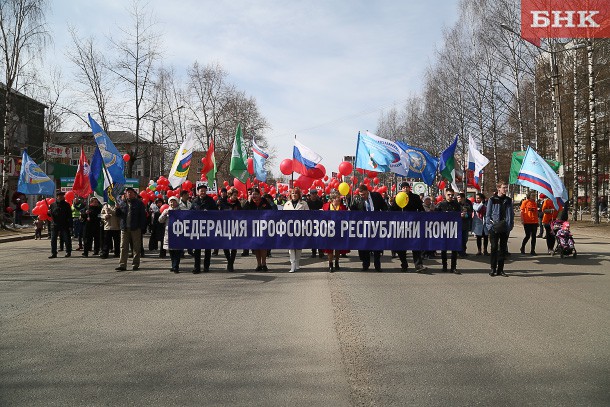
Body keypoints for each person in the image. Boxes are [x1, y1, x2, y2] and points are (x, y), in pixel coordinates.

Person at [350, 184, 388, 271]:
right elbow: (353, 210)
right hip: (363, 227)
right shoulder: (357, 199)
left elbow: (384, 206)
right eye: (361, 195)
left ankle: (377, 265)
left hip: (376, 225)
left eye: (364, 194)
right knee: (364, 246)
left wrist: (386, 214)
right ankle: (365, 264)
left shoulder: (376, 196)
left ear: (367, 191)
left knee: (377, 246)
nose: (362, 196)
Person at [391, 182, 426, 272]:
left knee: (416, 246)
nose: (405, 189)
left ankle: (418, 265)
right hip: (401, 226)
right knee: (401, 247)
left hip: (413, 225)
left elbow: (421, 209)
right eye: (404, 187)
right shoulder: (398, 197)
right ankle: (404, 263)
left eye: (407, 187)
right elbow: (392, 210)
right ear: (401, 189)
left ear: (409, 188)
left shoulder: (415, 197)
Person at [485, 181, 514, 277]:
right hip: (494, 227)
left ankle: (500, 270)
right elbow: (488, 215)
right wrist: (490, 226)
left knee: (502, 249)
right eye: (504, 187)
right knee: (494, 248)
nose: (505, 189)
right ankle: (493, 268)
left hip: (505, 227)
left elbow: (511, 214)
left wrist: (510, 226)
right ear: (498, 188)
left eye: (506, 187)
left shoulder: (508, 200)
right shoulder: (492, 200)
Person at [115, 187, 147, 271]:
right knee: (123, 247)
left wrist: (142, 227)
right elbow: (118, 215)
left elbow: (142, 216)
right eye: (127, 192)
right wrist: (117, 208)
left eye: (131, 192)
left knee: (136, 247)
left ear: (134, 194)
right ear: (125, 194)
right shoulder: (122, 203)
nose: (129, 194)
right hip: (124, 228)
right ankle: (122, 265)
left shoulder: (139, 203)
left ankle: (135, 264)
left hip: (135, 228)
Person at [243, 187, 273, 271]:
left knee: (263, 246)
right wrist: (248, 202)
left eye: (256, 194)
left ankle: (264, 264)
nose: (254, 196)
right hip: (253, 228)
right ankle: (258, 264)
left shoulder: (264, 202)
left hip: (263, 227)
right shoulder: (249, 203)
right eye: (253, 194)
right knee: (256, 247)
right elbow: (244, 212)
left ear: (259, 195)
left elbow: (270, 211)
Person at [191, 183, 218, 273]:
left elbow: (216, 213)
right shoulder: (194, 201)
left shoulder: (210, 201)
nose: (202, 192)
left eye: (204, 190)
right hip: (197, 228)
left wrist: (209, 213)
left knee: (207, 249)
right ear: (198, 192)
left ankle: (206, 266)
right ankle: (196, 267)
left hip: (208, 228)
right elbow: (190, 213)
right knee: (197, 249)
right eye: (201, 191)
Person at [283, 187, 309, 272]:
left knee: (298, 247)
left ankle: (297, 263)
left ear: (299, 195)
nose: (294, 195)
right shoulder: (287, 204)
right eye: (293, 193)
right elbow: (283, 216)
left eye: (296, 193)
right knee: (291, 247)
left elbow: (308, 215)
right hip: (289, 228)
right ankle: (292, 265)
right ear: (290, 194)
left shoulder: (304, 203)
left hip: (300, 228)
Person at [435, 188, 461, 274]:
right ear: (445, 195)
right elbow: (434, 217)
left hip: (453, 229)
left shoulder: (456, 205)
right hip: (443, 229)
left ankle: (453, 267)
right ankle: (444, 266)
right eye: (449, 194)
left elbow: (459, 215)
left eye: (452, 195)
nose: (450, 196)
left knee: (454, 249)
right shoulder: (440, 205)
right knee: (444, 249)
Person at [322, 190, 348, 272]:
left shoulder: (343, 207)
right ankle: (330, 264)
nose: (339, 199)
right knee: (330, 249)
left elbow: (346, 217)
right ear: (332, 199)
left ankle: (337, 262)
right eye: (337, 198)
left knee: (337, 248)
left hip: (339, 230)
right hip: (329, 230)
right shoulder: (326, 206)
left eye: (339, 198)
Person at [221, 187, 242, 271]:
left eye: (236, 195)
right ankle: (229, 260)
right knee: (225, 245)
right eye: (234, 195)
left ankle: (230, 263)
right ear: (230, 195)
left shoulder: (238, 203)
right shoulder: (224, 202)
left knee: (234, 246)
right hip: (225, 226)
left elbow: (241, 213)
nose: (235, 197)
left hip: (235, 226)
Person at [159, 196, 182, 273]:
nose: (172, 203)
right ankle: (173, 265)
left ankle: (176, 266)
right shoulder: (166, 210)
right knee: (171, 251)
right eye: (171, 202)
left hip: (178, 233)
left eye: (174, 201)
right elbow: (160, 220)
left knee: (177, 251)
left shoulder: (180, 210)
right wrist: (164, 214)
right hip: (169, 232)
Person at [48, 191, 73, 258]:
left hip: (64, 224)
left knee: (66, 239)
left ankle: (68, 251)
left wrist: (70, 225)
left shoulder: (67, 205)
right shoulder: (53, 205)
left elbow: (70, 216)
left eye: (62, 196)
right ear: (57, 197)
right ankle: (54, 253)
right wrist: (49, 212)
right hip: (55, 224)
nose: (61, 197)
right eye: (59, 196)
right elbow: (50, 214)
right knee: (53, 239)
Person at [520, 190, 539, 255]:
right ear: (529, 195)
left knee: (534, 236)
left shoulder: (535, 203)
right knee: (527, 236)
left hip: (534, 222)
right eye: (532, 195)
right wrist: (522, 220)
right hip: (527, 222)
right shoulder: (525, 202)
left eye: (534, 195)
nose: (533, 197)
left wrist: (537, 221)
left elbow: (536, 213)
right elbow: (522, 212)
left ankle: (532, 250)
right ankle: (522, 247)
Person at [306, 189, 324, 258]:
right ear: (310, 195)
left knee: (320, 237)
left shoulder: (320, 203)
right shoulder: (308, 203)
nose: (314, 195)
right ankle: (313, 252)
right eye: (312, 194)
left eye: (315, 194)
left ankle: (320, 252)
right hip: (311, 222)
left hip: (319, 222)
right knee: (312, 238)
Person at [457, 192, 473, 257]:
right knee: (459, 238)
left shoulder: (468, 203)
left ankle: (463, 250)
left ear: (463, 198)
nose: (458, 199)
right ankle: (460, 252)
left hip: (466, 223)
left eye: (459, 197)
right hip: (458, 224)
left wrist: (465, 215)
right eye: (457, 197)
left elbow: (470, 212)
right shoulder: (456, 204)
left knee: (465, 239)